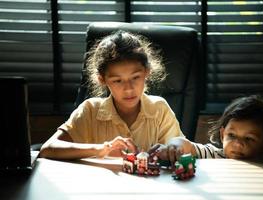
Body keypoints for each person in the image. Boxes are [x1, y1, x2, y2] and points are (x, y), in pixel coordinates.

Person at [40, 30, 184, 160]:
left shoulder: (159, 109)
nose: (128, 89)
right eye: (117, 81)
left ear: (147, 72)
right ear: (102, 80)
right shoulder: (90, 110)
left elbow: (180, 148)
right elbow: (48, 149)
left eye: (135, 77)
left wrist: (171, 150)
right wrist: (101, 149)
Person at [150, 95, 263, 164]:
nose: (238, 143)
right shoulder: (214, 155)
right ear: (223, 135)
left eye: (249, 138)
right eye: (232, 135)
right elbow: (188, 146)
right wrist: (174, 146)